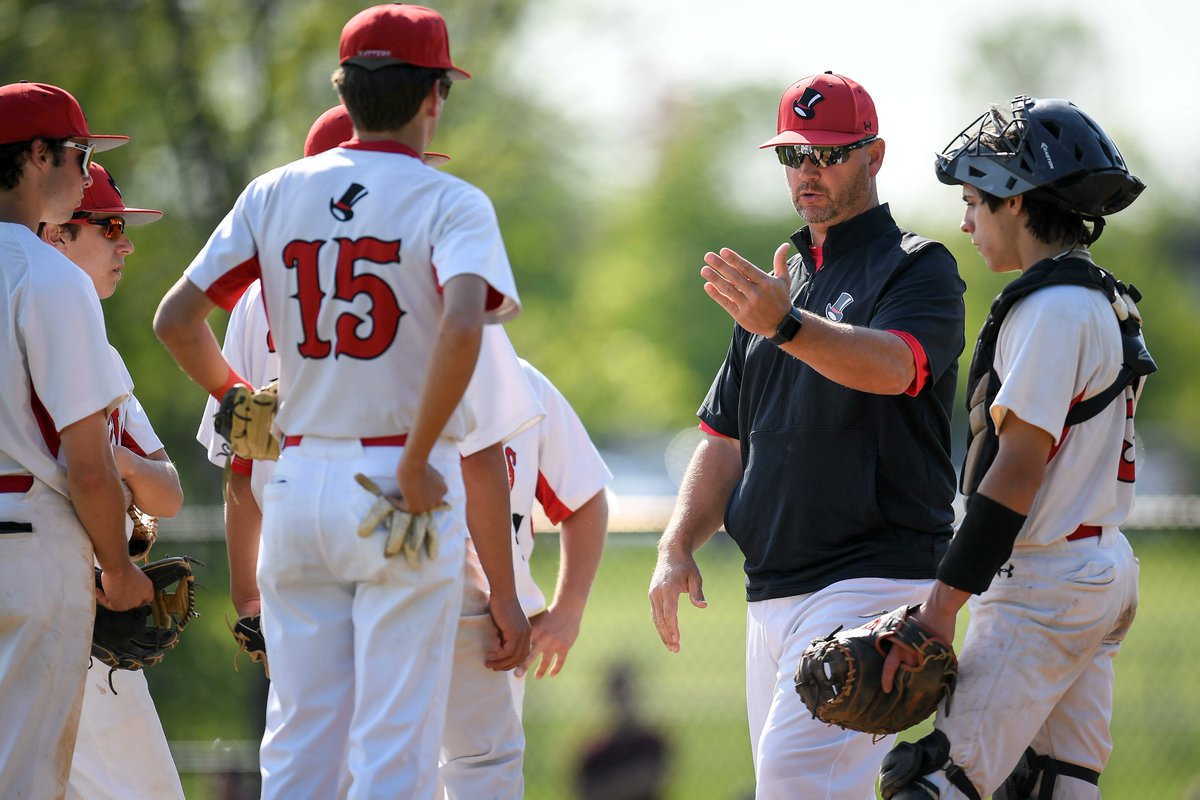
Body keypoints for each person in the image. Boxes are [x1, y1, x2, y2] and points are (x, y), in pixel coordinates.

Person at [153, 5, 531, 798]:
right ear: (434, 96)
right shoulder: (450, 202)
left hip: (293, 479)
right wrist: (423, 449)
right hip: (398, 479)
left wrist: (236, 395)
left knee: (300, 741)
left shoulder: (274, 191)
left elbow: (176, 319)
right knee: (394, 747)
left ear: (346, 91)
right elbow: (465, 319)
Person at [647, 71, 966, 799]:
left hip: (871, 580)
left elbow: (895, 368)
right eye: (793, 156)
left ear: (874, 156)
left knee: (793, 787)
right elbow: (723, 439)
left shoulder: (917, 266)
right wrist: (675, 545)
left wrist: (785, 325)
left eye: (828, 153)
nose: (807, 171)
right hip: (774, 591)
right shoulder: (779, 283)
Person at [877, 96, 1148, 800]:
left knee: (929, 782)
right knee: (1054, 786)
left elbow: (1019, 470)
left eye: (975, 200)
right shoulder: (1099, 296)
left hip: (1044, 581)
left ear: (1019, 202)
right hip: (1093, 565)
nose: (965, 220)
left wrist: (941, 607)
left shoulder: (1053, 307)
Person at [0, 81, 153, 799]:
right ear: (36, 156)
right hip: (29, 549)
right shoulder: (50, 277)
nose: (87, 170)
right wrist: (120, 572)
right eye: (79, 153)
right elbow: (89, 467)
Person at [38, 162, 186, 800]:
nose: (125, 243)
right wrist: (119, 569)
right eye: (108, 226)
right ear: (57, 236)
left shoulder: (103, 352)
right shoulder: (35, 328)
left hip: (85, 611)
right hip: (61, 593)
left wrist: (119, 461)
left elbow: (169, 494)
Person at [441, 357, 611, 799]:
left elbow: (584, 493)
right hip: (402, 602)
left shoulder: (519, 379)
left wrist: (569, 608)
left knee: (482, 775)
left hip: (494, 631)